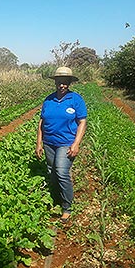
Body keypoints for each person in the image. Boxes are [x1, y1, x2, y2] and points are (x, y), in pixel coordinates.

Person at [35, 66, 87, 223]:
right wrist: (39, 142)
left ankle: (67, 207)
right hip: (49, 142)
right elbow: (42, 122)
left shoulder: (76, 99)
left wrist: (76, 143)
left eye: (65, 82)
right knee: (52, 171)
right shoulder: (48, 100)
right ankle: (55, 199)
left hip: (66, 142)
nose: (62, 85)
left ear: (69, 83)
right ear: (55, 82)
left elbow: (82, 122)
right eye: (59, 81)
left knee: (61, 172)